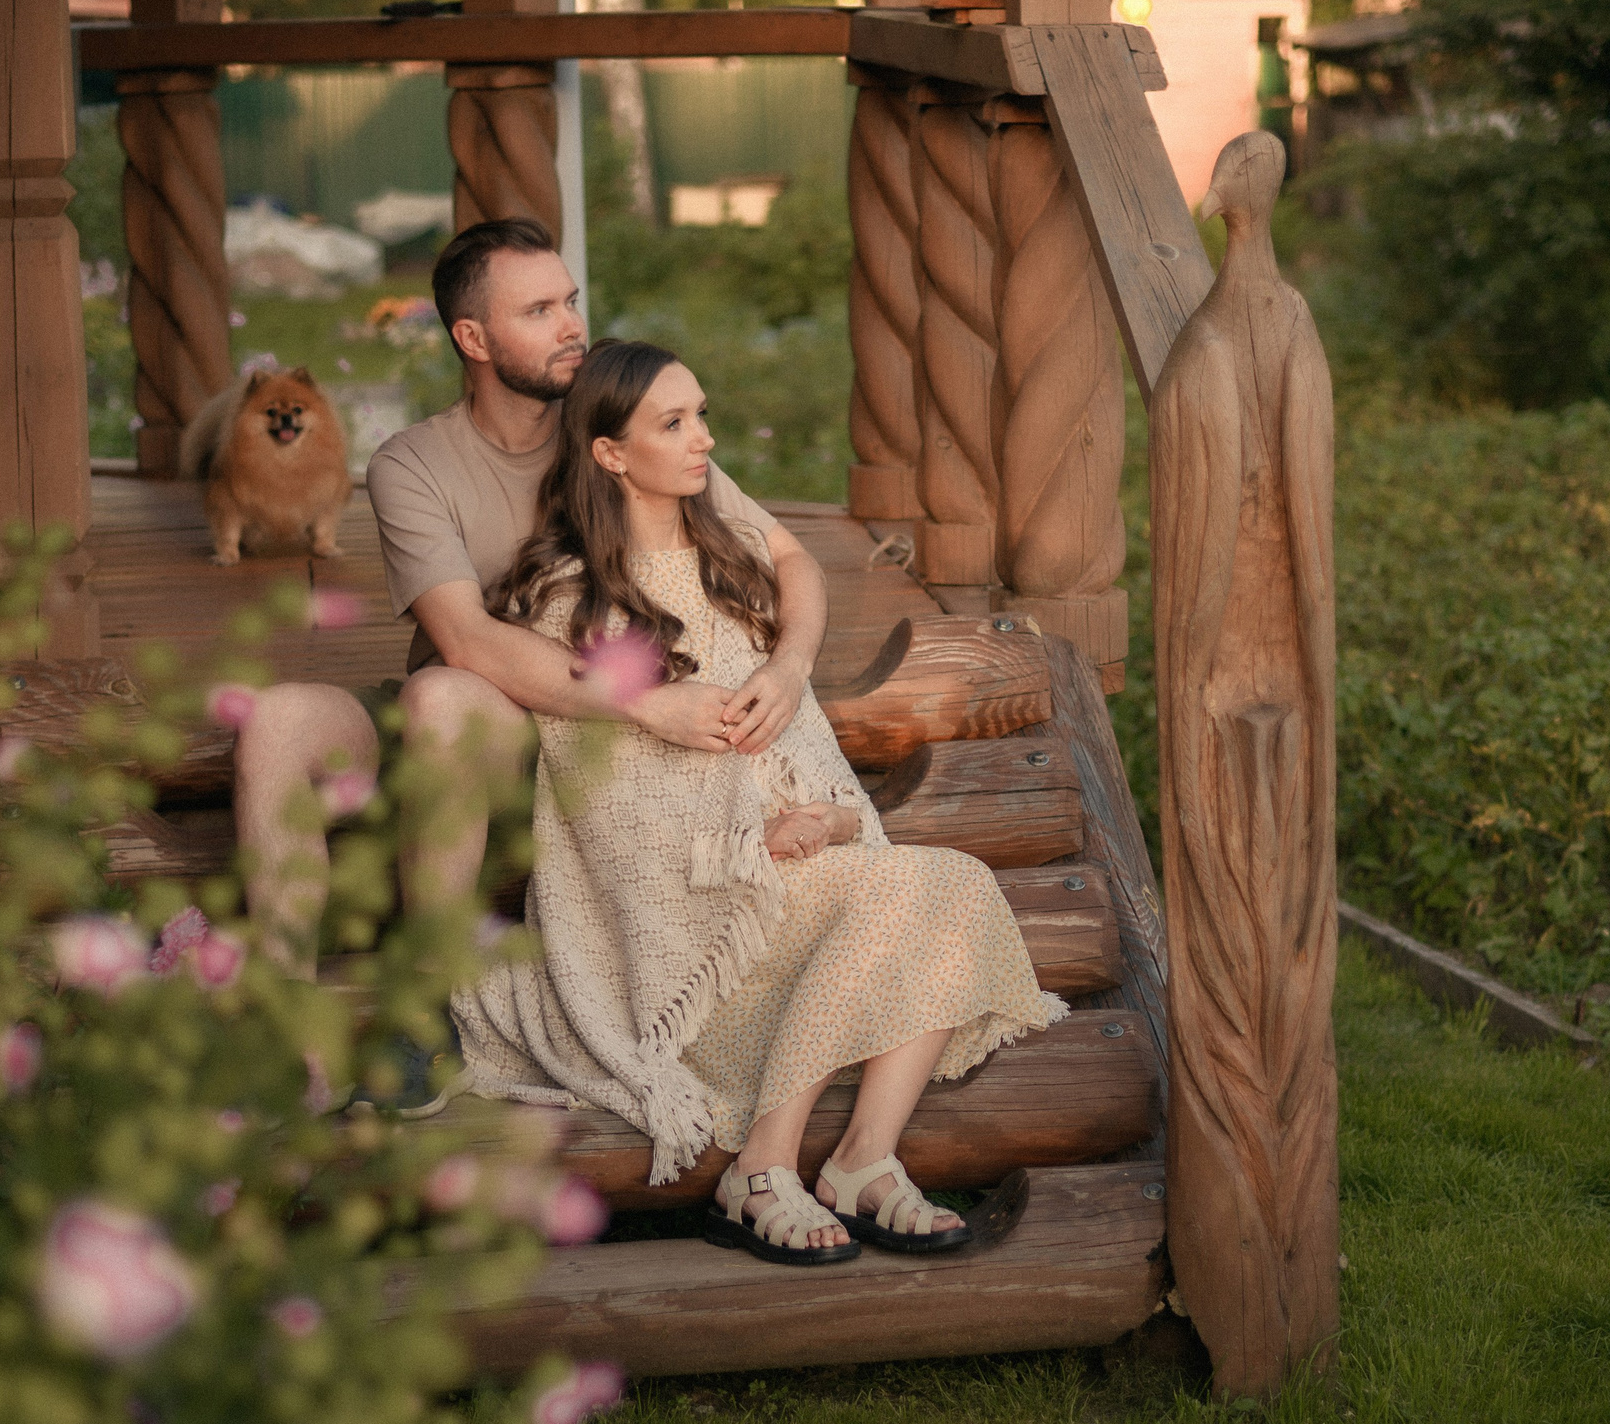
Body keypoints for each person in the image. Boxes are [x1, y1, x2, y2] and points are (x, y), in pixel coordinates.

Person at [451, 340, 1065, 1264]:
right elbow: (607, 828)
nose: (704, 439)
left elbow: (826, 780)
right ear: (611, 454)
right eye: (675, 423)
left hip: (789, 908)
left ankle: (863, 1158)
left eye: (702, 414)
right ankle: (761, 1169)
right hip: (682, 947)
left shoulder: (733, 582)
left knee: (955, 881)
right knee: (911, 892)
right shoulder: (570, 607)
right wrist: (744, 847)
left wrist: (823, 820)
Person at [232, 218, 831, 972]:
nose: (572, 326)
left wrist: (789, 665)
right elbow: (467, 640)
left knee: (442, 700)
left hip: (566, 736)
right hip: (494, 710)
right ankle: (281, 1022)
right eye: (538, 312)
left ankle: (431, 997)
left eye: (570, 301)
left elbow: (789, 556)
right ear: (474, 340)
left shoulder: (619, 426)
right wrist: (646, 699)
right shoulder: (411, 463)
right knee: (278, 719)